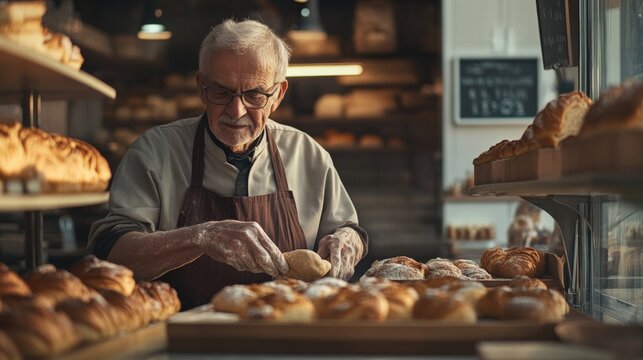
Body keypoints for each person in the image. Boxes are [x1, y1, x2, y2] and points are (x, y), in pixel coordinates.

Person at [88, 19, 368, 309]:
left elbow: (349, 229)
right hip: (183, 340)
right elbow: (111, 254)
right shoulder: (154, 153)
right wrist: (200, 237)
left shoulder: (307, 154)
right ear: (201, 86)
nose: (236, 111)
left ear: (278, 95)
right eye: (221, 92)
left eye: (254, 95)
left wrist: (348, 239)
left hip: (287, 337)